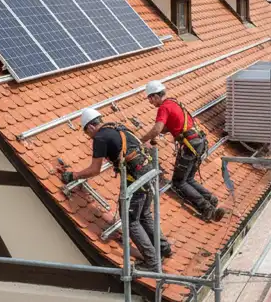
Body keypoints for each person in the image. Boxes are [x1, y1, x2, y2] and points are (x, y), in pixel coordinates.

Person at [59, 108, 172, 270]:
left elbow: (95, 169)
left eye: (87, 133)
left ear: (90, 127)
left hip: (136, 181)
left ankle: (152, 262)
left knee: (131, 220)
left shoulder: (100, 138)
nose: (89, 137)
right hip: (150, 174)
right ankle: (163, 248)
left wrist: (73, 175)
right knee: (144, 214)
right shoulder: (117, 127)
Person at [140, 81, 226, 222]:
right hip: (198, 142)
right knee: (189, 178)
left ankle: (208, 209)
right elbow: (170, 126)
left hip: (189, 145)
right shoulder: (173, 102)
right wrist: (157, 134)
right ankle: (211, 199)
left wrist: (140, 140)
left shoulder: (163, 108)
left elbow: (157, 128)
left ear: (155, 96)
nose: (150, 102)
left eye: (150, 98)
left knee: (179, 182)